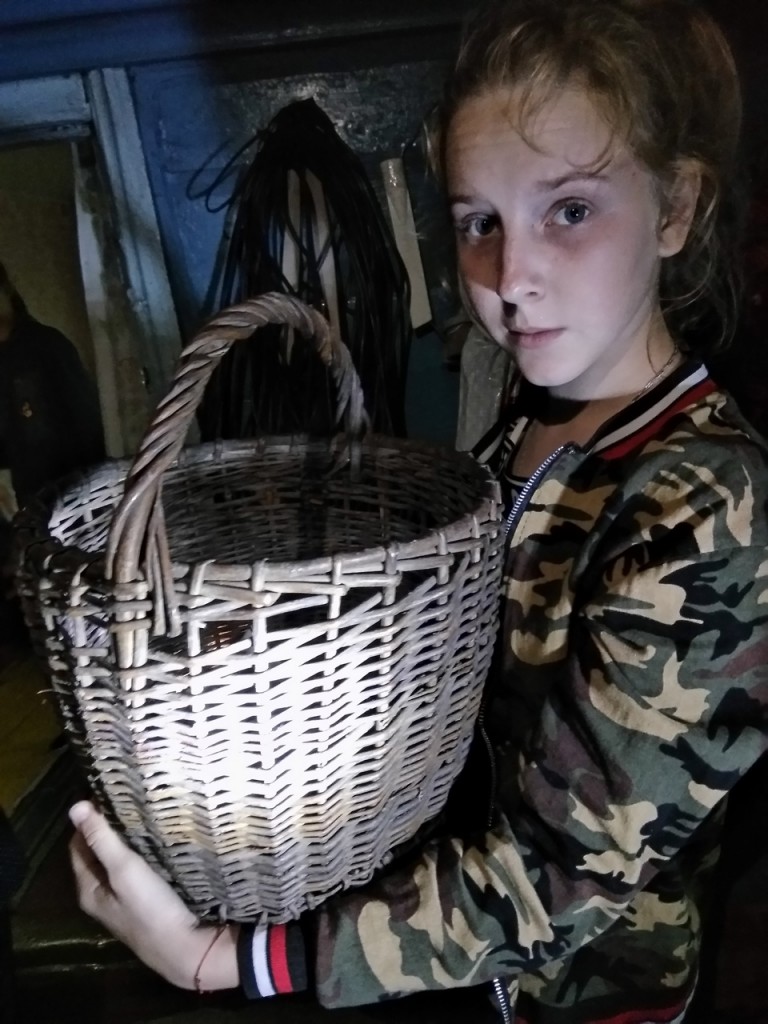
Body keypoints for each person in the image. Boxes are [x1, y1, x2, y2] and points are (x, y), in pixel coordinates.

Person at [67, 1, 768, 1021]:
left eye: (570, 210)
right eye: (480, 221)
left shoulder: (705, 503)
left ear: (676, 209)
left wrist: (227, 957)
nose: (510, 278)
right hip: (446, 962)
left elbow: (563, 876)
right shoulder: (529, 416)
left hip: (581, 995)